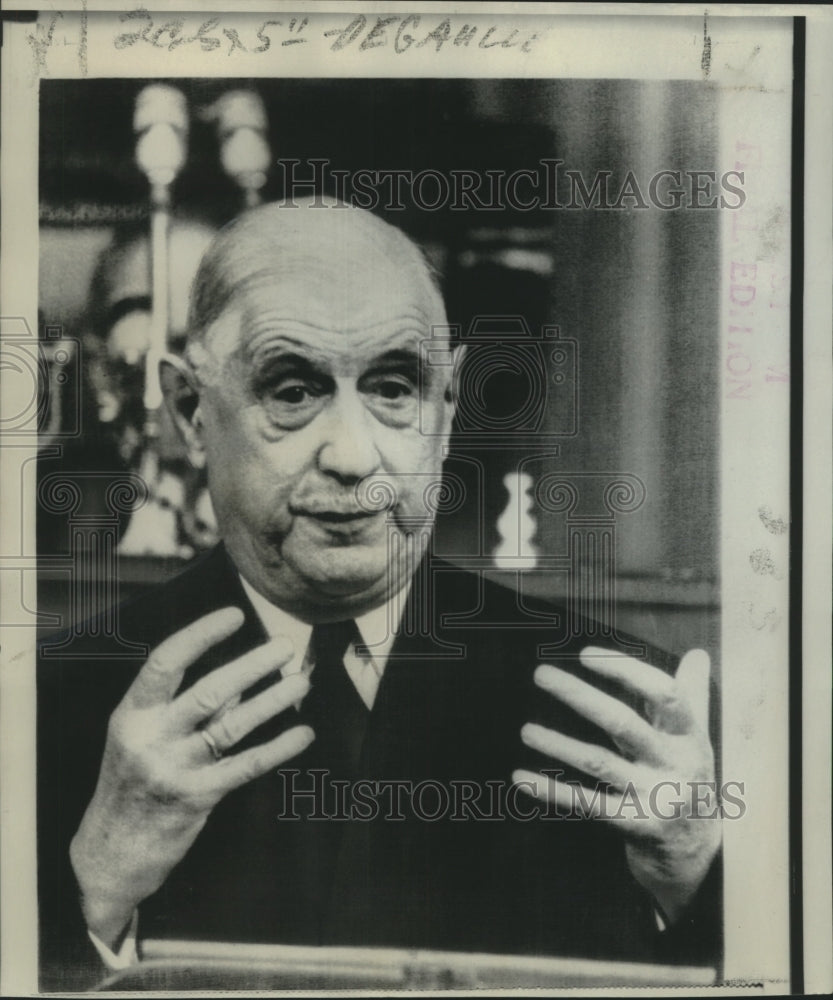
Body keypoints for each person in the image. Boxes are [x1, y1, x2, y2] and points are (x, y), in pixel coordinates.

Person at [37, 199, 722, 991]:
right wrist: (92, 887)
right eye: (292, 390)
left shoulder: (625, 719)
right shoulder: (47, 710)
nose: (354, 457)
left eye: (394, 387)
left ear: (448, 406)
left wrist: (695, 876)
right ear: (192, 412)